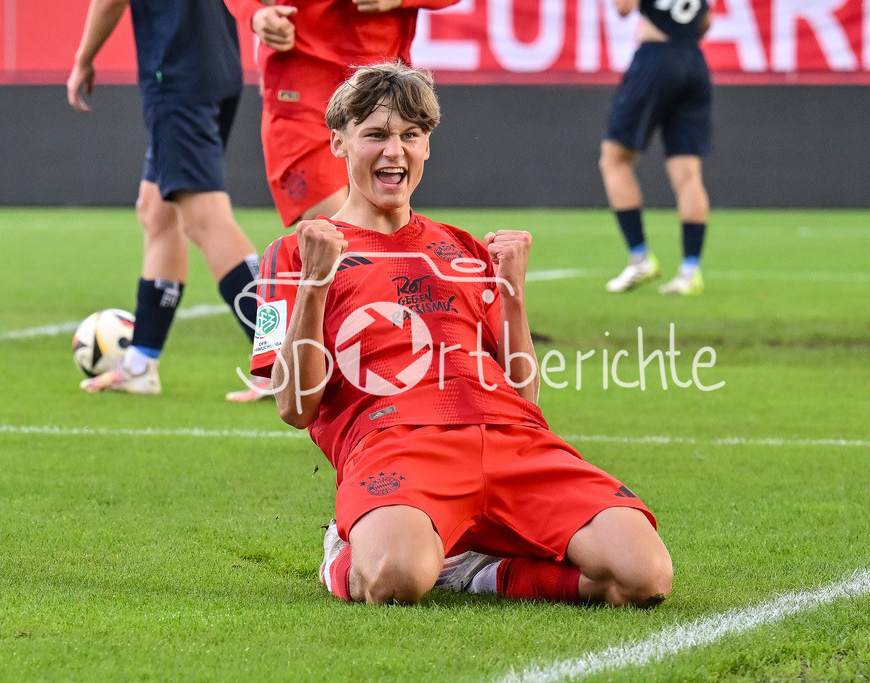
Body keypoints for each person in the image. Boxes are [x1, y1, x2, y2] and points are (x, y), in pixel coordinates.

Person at [249, 62, 673, 607]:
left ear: (427, 145)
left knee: (643, 577)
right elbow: (295, 405)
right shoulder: (293, 253)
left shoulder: (464, 249)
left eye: (411, 136)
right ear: (338, 141)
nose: (394, 152)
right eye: (375, 134)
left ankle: (479, 571)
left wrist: (514, 294)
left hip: (511, 439)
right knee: (395, 581)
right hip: (396, 443)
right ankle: (347, 546)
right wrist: (313, 284)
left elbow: (524, 396)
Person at [221, 0, 460, 402]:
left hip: (382, 92)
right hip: (300, 86)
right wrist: (254, 14)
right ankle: (310, 367)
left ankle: (414, 363)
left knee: (365, 240)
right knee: (336, 239)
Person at [67, 0, 261, 396]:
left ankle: (283, 359)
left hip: (176, 76)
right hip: (219, 66)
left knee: (203, 216)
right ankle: (140, 363)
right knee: (156, 211)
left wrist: (83, 58)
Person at [600, 0, 713, 295]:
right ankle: (691, 271)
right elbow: (705, 22)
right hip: (693, 59)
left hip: (656, 58)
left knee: (615, 160)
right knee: (688, 171)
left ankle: (639, 257)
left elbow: (623, 8)